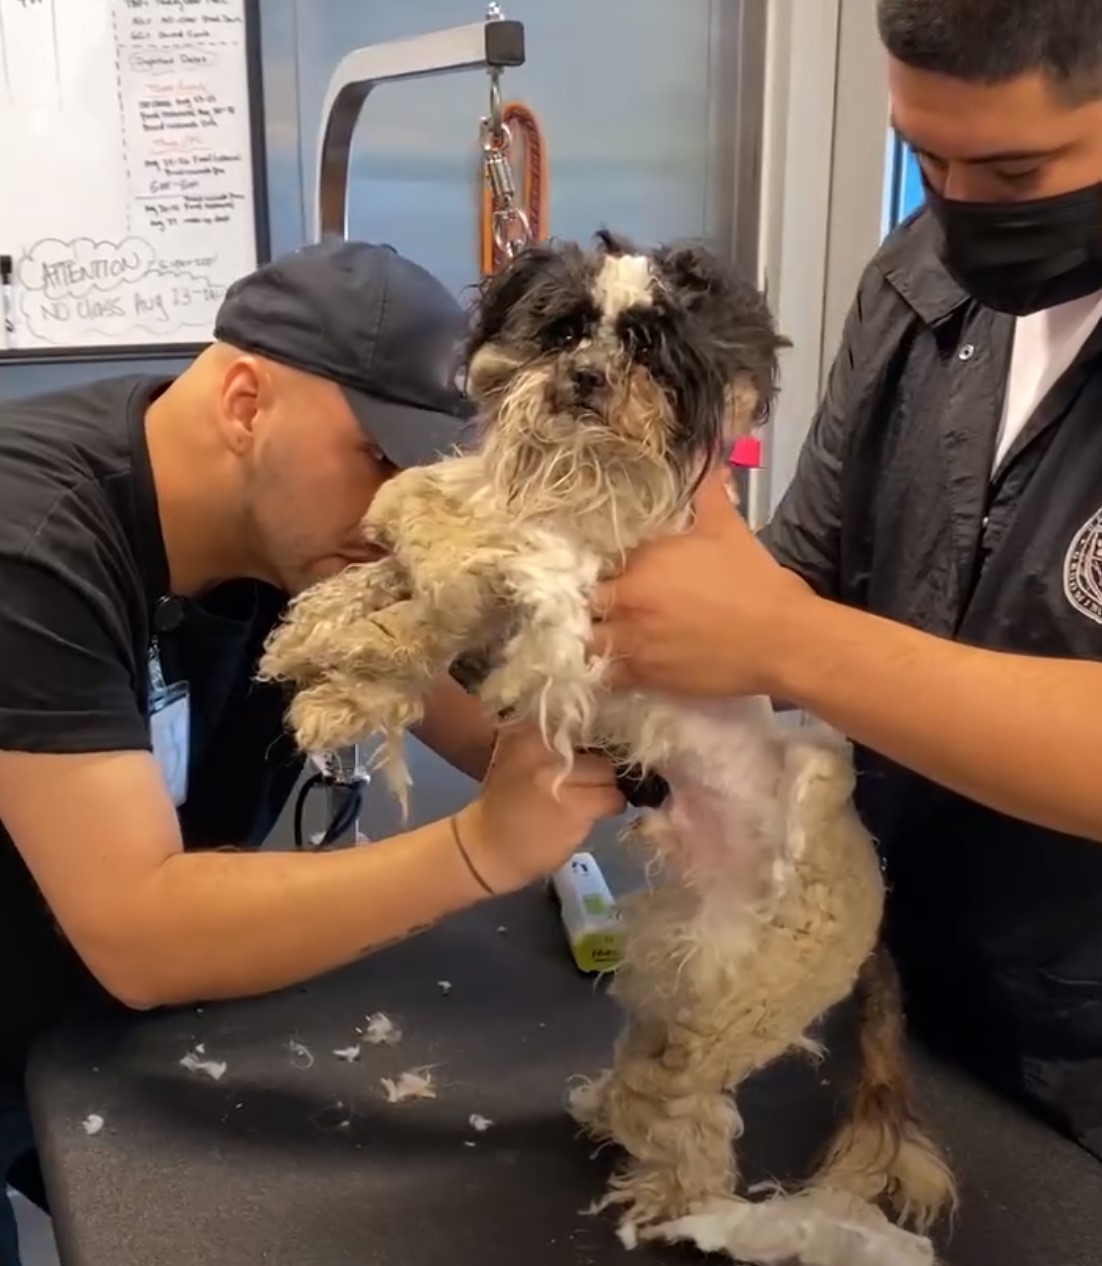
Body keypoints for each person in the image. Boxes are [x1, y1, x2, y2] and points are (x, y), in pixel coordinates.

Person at [0, 239, 623, 1262]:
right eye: (375, 459)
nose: (397, 520)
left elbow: (492, 726)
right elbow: (139, 933)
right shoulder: (33, 547)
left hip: (85, 1031)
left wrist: (626, 700)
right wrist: (481, 850)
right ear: (246, 403)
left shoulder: (308, 536)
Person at [592, 0, 1102, 1163]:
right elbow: (809, 560)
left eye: (1016, 166)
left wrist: (784, 642)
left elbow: (793, 627)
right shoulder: (921, 277)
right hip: (897, 982)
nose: (961, 203)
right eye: (925, 156)